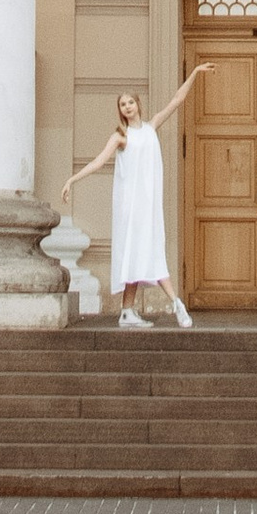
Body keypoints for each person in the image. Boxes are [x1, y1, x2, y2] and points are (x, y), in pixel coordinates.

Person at [61, 68, 206, 329]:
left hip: (148, 207)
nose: (127, 107)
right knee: (140, 252)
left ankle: (127, 312)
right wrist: (73, 180)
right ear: (120, 111)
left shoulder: (151, 128)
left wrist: (194, 72)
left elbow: (177, 100)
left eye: (130, 102)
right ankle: (176, 303)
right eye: (122, 104)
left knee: (141, 254)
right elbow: (98, 161)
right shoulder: (121, 136)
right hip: (131, 208)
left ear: (138, 104)